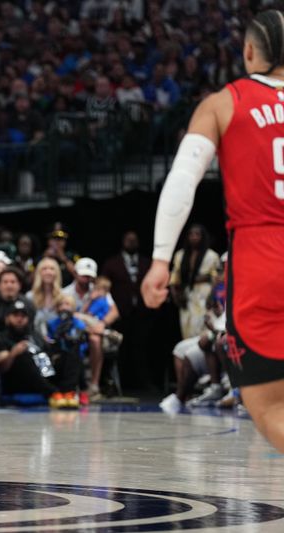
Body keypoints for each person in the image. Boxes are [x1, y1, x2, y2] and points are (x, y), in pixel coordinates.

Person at [142, 10, 284, 452]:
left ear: (247, 52)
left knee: (269, 406)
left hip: (263, 255)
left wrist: (162, 258)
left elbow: (183, 182)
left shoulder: (224, 102)